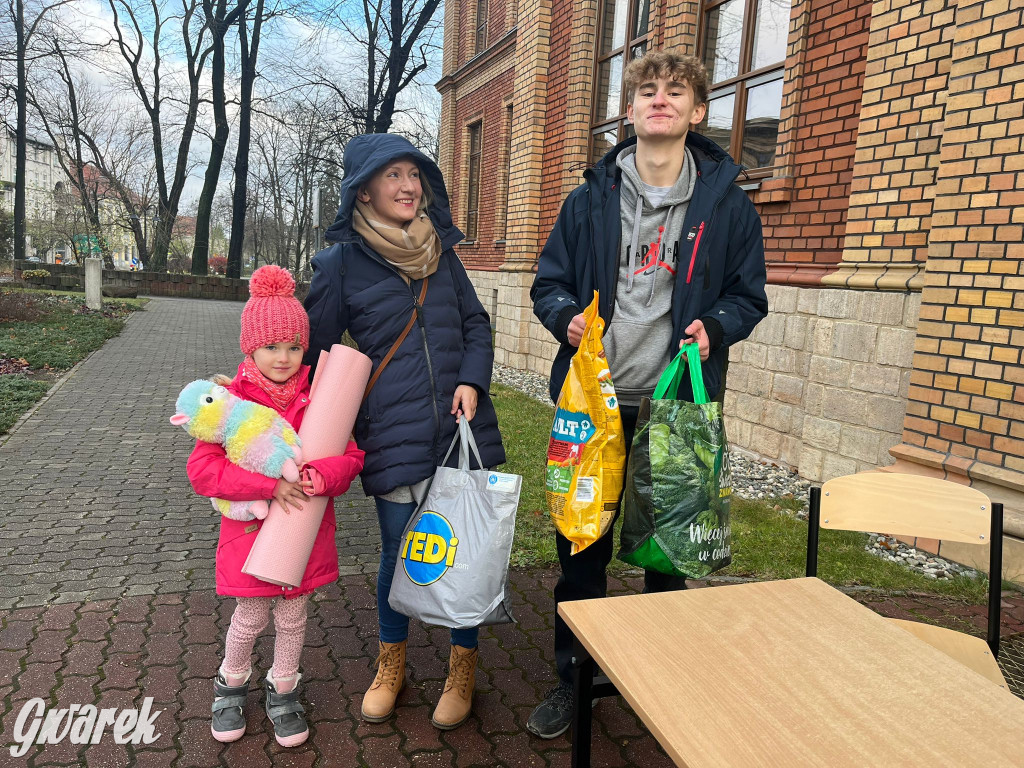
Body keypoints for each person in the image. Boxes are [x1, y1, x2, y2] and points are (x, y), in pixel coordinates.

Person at [527, 49, 769, 738]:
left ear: (696, 113)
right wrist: (563, 315)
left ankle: (665, 684)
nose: (659, 100)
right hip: (593, 407)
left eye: (676, 92)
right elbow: (548, 283)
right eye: (646, 91)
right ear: (629, 112)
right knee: (582, 549)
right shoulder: (589, 200)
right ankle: (572, 677)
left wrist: (716, 328)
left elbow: (748, 297)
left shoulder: (727, 206)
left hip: (676, 409)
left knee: (670, 557)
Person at [303, 133, 506, 730]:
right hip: (391, 435)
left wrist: (473, 379)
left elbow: (476, 324)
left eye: (414, 175)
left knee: (461, 550)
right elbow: (314, 349)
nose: (408, 186)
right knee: (402, 555)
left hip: (457, 429)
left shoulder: (443, 254)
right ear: (363, 190)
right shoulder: (340, 263)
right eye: (392, 176)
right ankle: (392, 662)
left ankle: (461, 666)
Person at [185, 265, 366, 747]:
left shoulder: (321, 397)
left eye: (294, 346)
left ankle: (284, 688)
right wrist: (266, 487)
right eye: (272, 347)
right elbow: (203, 472)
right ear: (250, 348)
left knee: (293, 618)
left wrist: (323, 475)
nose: (283, 358)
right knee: (251, 616)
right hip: (249, 537)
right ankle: (232, 683)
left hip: (305, 537)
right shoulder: (227, 404)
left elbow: (350, 458)